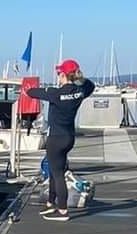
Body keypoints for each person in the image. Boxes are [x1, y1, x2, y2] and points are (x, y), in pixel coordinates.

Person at [37, 59, 96, 221]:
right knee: (57, 171)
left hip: (55, 138)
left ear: (63, 75)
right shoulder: (80, 92)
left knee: (57, 174)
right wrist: (80, 78)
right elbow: (90, 85)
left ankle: (62, 210)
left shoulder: (56, 94)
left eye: (58, 73)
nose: (57, 75)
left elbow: (32, 92)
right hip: (68, 138)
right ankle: (51, 204)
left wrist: (26, 88)